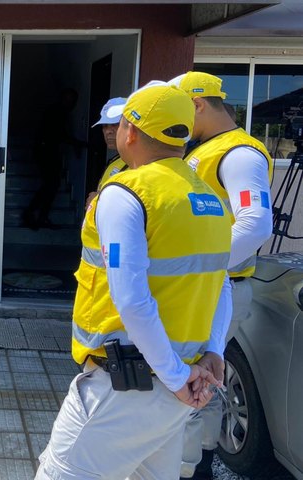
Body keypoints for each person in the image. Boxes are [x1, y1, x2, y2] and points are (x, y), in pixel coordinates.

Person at [35, 82, 232, 480]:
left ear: (130, 132)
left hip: (129, 386)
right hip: (183, 380)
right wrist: (213, 352)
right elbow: (221, 285)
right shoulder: (208, 197)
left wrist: (177, 378)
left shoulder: (127, 194)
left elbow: (132, 299)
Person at [170, 71, 274, 480]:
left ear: (197, 104)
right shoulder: (209, 149)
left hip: (217, 286)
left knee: (187, 383)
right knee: (204, 380)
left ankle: (187, 469)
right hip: (210, 284)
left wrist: (198, 267)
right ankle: (199, 464)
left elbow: (254, 224)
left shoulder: (239, 154)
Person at [23, 88, 84, 230]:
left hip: (48, 150)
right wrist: (76, 143)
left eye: (72, 101)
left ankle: (36, 215)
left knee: (51, 185)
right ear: (62, 99)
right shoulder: (56, 112)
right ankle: (34, 214)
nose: (70, 104)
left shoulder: (59, 112)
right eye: (68, 100)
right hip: (45, 151)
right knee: (51, 185)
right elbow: (58, 134)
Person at [85, 97, 127, 209]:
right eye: (105, 126)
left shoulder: (139, 162)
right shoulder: (115, 161)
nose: (108, 131)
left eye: (115, 124)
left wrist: (97, 200)